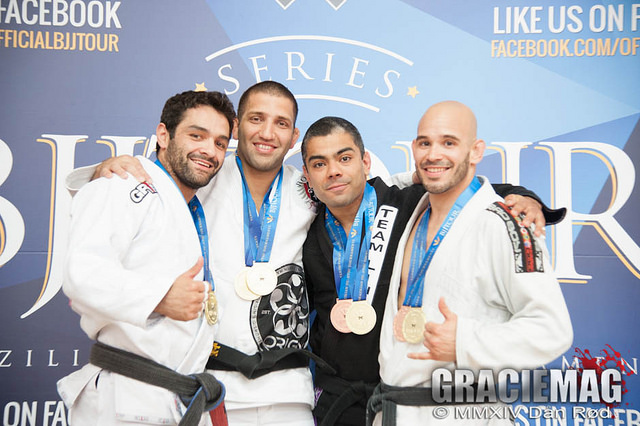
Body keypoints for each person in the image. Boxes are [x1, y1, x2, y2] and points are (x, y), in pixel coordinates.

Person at [68, 83, 555, 426]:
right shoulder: (208, 175)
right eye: (255, 120)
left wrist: (521, 195)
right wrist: (113, 166)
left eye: (282, 123)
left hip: (290, 388)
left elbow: (429, 181)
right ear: (239, 129)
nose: (267, 132)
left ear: (293, 136)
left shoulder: (307, 190)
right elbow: (160, 182)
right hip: (210, 377)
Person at [300, 117, 565, 426]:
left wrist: (525, 197)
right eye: (319, 164)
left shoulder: (407, 203)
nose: (334, 171)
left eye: (344, 158)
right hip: (339, 399)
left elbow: (467, 188)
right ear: (307, 173)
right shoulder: (306, 230)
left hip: (404, 395)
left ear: (365, 161)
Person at [369, 101, 573, 425]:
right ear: (414, 149)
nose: (433, 154)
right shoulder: (413, 211)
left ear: (476, 151)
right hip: (393, 408)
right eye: (425, 143)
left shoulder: (507, 223)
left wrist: (465, 341)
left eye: (449, 142)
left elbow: (552, 329)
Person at [57, 90, 236, 425]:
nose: (209, 151)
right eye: (196, 135)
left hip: (174, 395)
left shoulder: (190, 201)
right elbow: (82, 273)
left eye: (220, 143)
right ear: (163, 135)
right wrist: (161, 297)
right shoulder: (122, 182)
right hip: (125, 395)